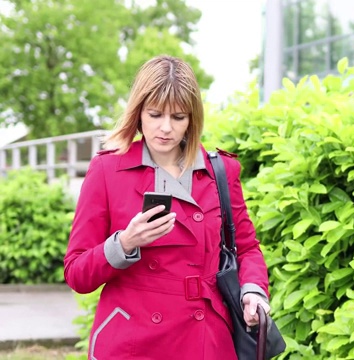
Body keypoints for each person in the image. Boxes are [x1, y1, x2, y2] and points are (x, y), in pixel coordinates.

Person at [64, 55, 271, 359]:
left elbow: (247, 248)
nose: (165, 128)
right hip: (133, 341)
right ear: (138, 114)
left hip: (205, 338)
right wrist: (125, 243)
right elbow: (77, 273)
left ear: (192, 119)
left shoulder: (220, 172)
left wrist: (253, 291)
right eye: (155, 114)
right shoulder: (108, 171)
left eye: (178, 117)